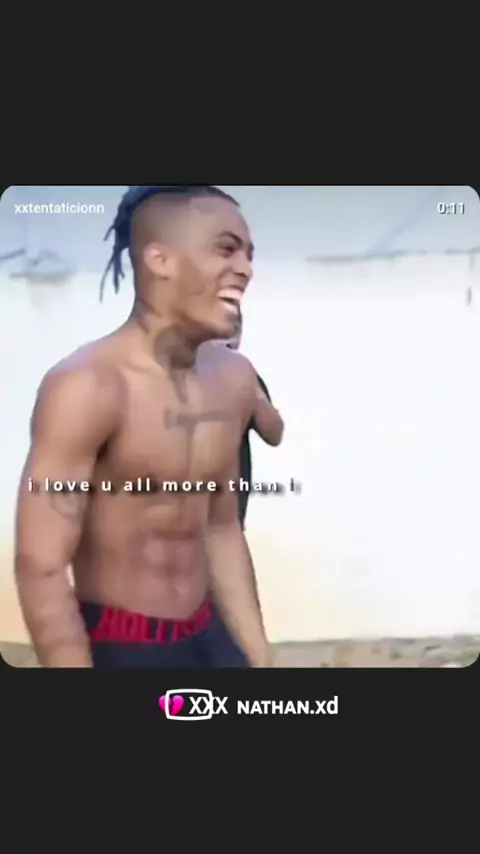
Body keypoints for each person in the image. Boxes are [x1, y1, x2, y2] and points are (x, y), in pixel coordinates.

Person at [14, 185, 272, 670]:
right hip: (121, 645)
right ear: (160, 260)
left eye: (249, 255)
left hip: (210, 634)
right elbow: (41, 566)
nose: (245, 268)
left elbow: (221, 530)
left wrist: (259, 658)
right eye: (226, 249)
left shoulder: (233, 379)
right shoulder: (89, 385)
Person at [224, 311, 284, 527]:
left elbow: (274, 434)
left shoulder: (246, 378)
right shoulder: (177, 376)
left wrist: (251, 390)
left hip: (228, 513)